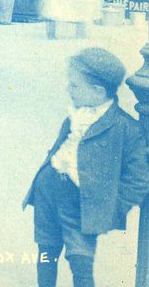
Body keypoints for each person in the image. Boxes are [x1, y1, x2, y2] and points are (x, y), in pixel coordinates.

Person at [24, 48, 149, 287]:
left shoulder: (125, 128)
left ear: (97, 92)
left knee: (80, 261)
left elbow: (139, 180)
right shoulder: (75, 115)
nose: (68, 90)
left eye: (74, 86)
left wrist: (111, 207)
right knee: (45, 252)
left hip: (80, 203)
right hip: (48, 191)